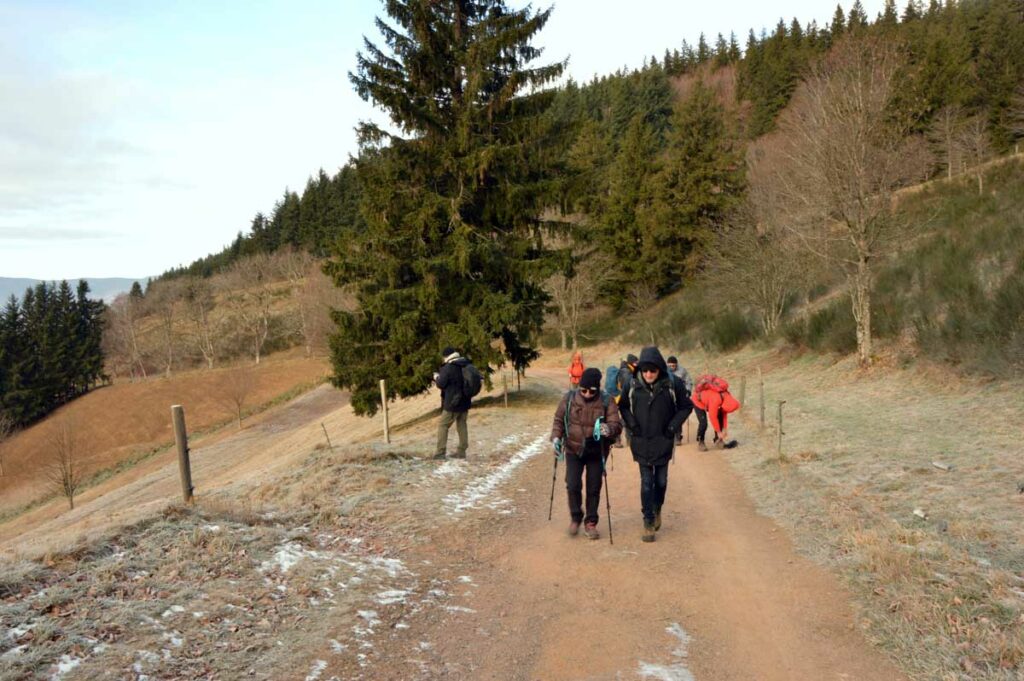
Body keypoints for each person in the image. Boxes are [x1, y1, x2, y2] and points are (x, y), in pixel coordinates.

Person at [618, 347, 692, 543]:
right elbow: (623, 406)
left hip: (663, 440)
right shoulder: (631, 383)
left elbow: (686, 406)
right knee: (646, 482)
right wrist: (632, 425)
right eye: (645, 370)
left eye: (653, 370)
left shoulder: (673, 384)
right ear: (640, 369)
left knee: (661, 482)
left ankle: (657, 507)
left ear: (660, 369)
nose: (649, 374)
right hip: (641, 440)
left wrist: (672, 427)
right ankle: (648, 521)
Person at [550, 368, 622, 539]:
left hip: (596, 451)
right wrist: (556, 438)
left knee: (594, 487)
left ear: (598, 389)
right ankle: (576, 516)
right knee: (572, 484)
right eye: (583, 390)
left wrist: (608, 429)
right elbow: (558, 420)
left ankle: (591, 522)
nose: (587, 394)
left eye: (592, 391)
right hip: (573, 449)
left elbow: (617, 424)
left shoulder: (607, 401)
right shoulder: (569, 398)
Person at [433, 347, 472, 459]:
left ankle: (440, 453)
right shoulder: (464, 363)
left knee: (443, 425)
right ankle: (461, 452)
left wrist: (436, 377)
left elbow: (441, 384)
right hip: (465, 401)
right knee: (462, 424)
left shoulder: (448, 367)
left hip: (453, 403)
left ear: (446, 356)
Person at [691, 374, 740, 450]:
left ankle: (718, 440)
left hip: (710, 401)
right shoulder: (716, 399)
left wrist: (724, 428)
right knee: (703, 423)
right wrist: (719, 432)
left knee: (720, 417)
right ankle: (701, 441)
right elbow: (712, 417)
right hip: (698, 401)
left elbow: (724, 413)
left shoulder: (726, 396)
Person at [666, 356, 694, 444]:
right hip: (668, 396)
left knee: (678, 415)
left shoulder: (682, 371)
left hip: (679, 395)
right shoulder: (663, 371)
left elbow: (688, 382)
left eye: (673, 366)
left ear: (677, 365)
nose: (671, 367)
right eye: (670, 366)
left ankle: (678, 437)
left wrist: (688, 391)